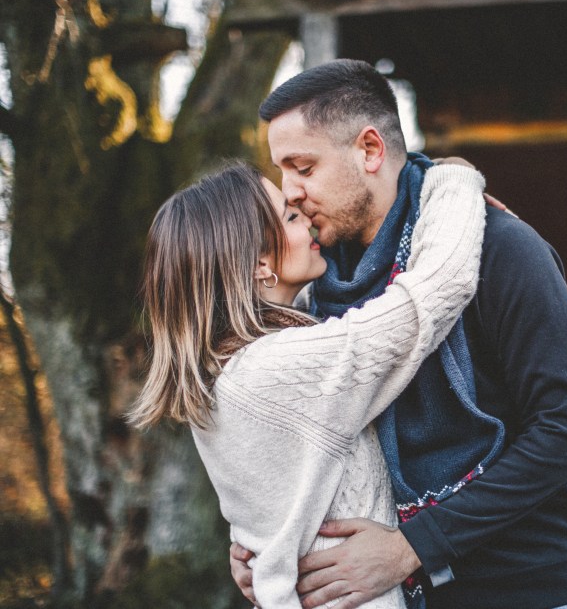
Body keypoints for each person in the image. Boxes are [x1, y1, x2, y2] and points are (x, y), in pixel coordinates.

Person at [230, 59, 567, 609]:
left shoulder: (502, 250)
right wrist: (258, 541)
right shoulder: (312, 288)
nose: (290, 192)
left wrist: (411, 547)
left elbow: (565, 433)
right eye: (281, 171)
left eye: (303, 167)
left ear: (370, 150)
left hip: (531, 589)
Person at [128, 158, 487, 609]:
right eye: (291, 217)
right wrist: (453, 178)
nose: (306, 217)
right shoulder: (278, 368)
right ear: (260, 263)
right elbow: (437, 290)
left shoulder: (228, 369)